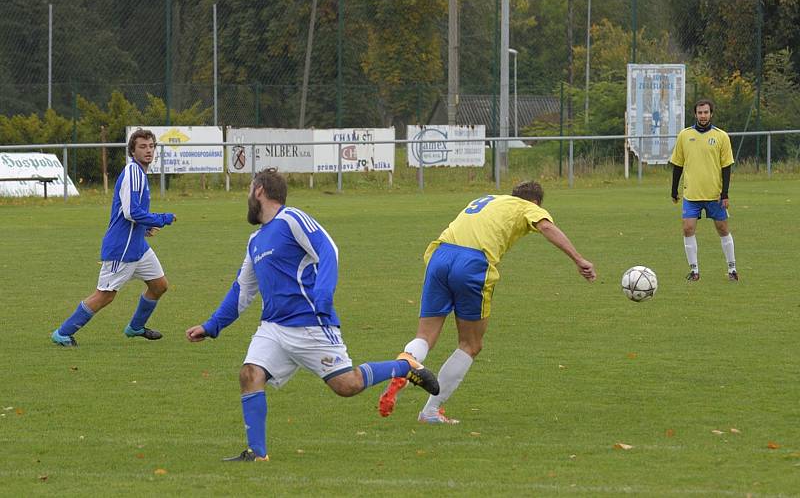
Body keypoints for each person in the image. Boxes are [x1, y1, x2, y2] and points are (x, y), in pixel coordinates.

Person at [185, 168, 439, 462]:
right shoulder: (255, 241)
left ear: (259, 191)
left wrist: (322, 295)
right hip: (273, 328)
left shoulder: (291, 219)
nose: (247, 199)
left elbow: (328, 248)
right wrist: (212, 325)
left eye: (248, 191)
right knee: (249, 374)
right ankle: (257, 453)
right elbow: (242, 291)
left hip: (311, 323)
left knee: (347, 386)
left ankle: (402, 365)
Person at [378, 181, 596, 424]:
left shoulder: (490, 199)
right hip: (471, 262)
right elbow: (545, 226)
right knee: (470, 344)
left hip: (440, 254)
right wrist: (578, 259)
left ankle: (406, 362)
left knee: (425, 336)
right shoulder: (527, 207)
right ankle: (430, 411)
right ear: (535, 202)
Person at [51, 129, 176, 346]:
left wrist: (145, 227)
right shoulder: (133, 173)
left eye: (151, 146)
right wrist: (160, 219)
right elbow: (130, 212)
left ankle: (135, 327)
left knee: (159, 285)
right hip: (123, 248)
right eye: (142, 147)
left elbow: (128, 212)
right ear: (132, 151)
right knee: (105, 295)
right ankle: (62, 333)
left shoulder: (140, 174)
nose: (148, 150)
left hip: (138, 246)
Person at [670, 98, 737, 282]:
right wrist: (674, 189)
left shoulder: (721, 136)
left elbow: (726, 167)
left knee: (723, 229)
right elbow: (677, 164)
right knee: (687, 228)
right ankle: (694, 271)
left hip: (714, 194)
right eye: (700, 112)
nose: (703, 115)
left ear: (711, 114)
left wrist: (725, 194)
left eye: (706, 112)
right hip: (691, 193)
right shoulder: (684, 135)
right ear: (695, 114)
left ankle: (732, 269)